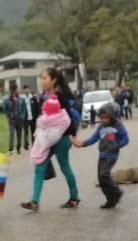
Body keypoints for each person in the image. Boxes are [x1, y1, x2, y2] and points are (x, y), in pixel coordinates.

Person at [20, 67, 81, 212]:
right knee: (39, 167)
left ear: (53, 80)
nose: (42, 81)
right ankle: (34, 202)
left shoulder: (61, 96)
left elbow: (68, 118)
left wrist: (73, 135)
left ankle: (74, 197)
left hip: (61, 138)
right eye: (41, 78)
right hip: (46, 138)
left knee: (65, 167)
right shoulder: (44, 95)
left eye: (45, 78)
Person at [75, 101, 130, 209]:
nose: (103, 120)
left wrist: (117, 145)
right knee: (101, 179)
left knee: (104, 174)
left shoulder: (118, 125)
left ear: (111, 116)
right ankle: (111, 200)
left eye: (106, 118)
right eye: (102, 118)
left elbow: (126, 139)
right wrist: (83, 143)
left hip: (112, 155)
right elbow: (94, 138)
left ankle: (116, 191)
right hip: (102, 154)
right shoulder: (101, 127)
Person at [5, 88, 24, 155]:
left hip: (19, 119)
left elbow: (23, 108)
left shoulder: (21, 99)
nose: (16, 92)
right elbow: (5, 109)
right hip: (11, 120)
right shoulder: (8, 100)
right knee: (12, 134)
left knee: (19, 135)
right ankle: (11, 149)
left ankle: (18, 149)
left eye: (17, 90)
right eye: (15, 90)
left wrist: (22, 116)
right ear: (12, 92)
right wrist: (8, 117)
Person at [22, 85, 37, 149]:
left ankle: (34, 144)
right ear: (23, 90)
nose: (27, 90)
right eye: (25, 89)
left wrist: (36, 116)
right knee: (26, 132)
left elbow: (37, 108)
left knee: (33, 131)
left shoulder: (33, 98)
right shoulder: (22, 99)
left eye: (28, 89)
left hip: (33, 118)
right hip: (25, 118)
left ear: (29, 90)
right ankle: (26, 144)